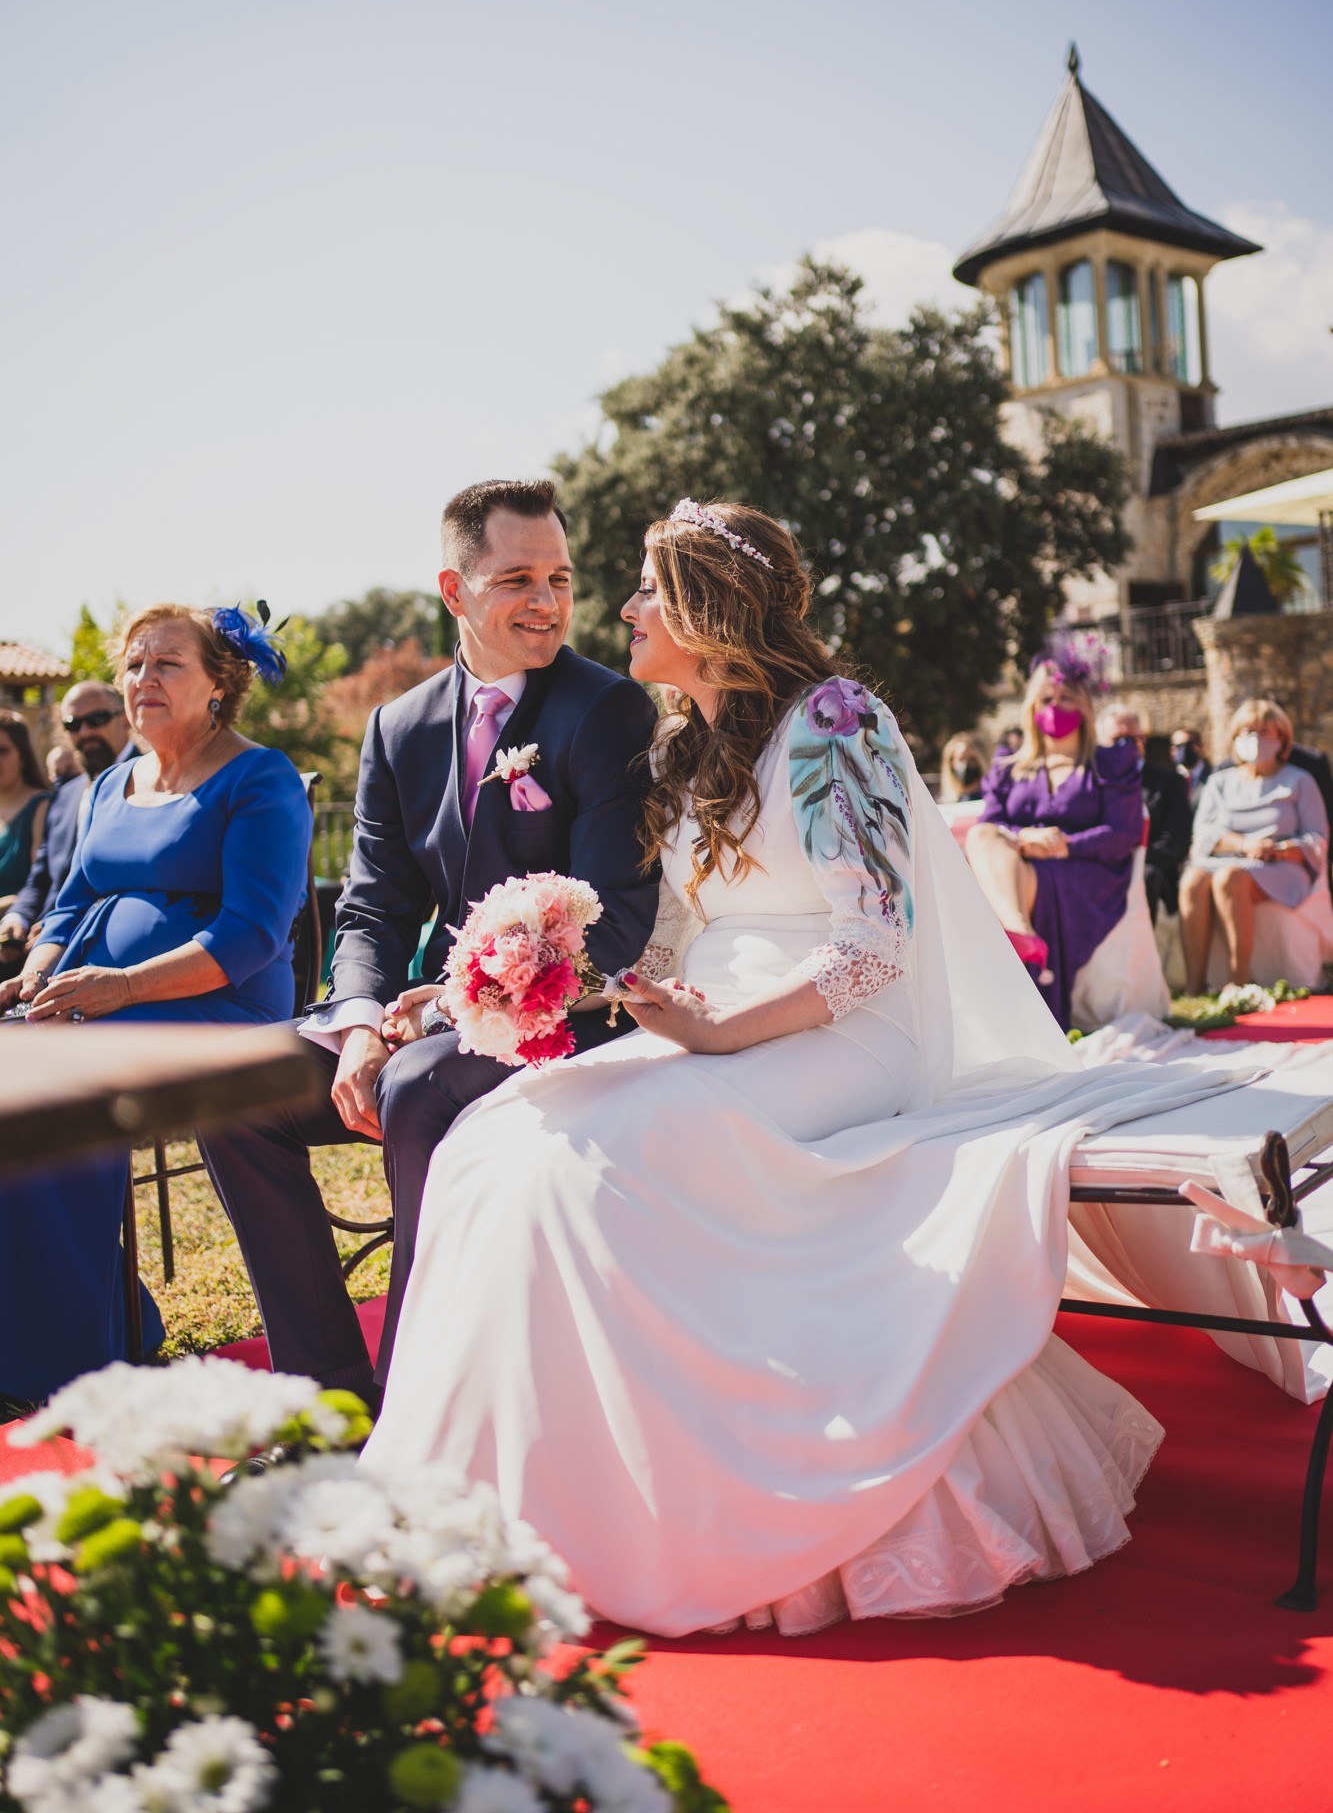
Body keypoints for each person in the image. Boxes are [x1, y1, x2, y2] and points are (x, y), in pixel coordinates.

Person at [364, 501, 1181, 1638]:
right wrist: (506, 981)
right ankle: (529, 1505)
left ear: (705, 605)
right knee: (497, 1140)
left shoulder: (835, 721)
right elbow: (669, 939)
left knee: (606, 1156)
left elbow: (873, 944)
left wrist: (714, 1035)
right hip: (719, 1019)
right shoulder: (685, 741)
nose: (626, 609)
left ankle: (724, 1499)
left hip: (843, 1029)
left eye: (648, 590)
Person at [197, 480, 660, 1410]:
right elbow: (370, 906)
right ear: (454, 590)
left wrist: (447, 1007)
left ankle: (415, 1397)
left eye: (560, 578)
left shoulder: (605, 712)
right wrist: (361, 1023)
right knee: (228, 1086)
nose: (546, 601)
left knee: (414, 1088)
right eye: (516, 578)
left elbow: (614, 919)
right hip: (423, 1019)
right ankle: (328, 1394)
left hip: (571, 1022)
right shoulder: (397, 727)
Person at [0, 603, 312, 1409]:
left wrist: (123, 987)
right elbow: (68, 905)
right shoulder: (106, 784)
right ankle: (101, 1321)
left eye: (167, 663)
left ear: (219, 684)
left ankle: (66, 1363)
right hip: (93, 1002)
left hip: (221, 1011)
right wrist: (35, 974)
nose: (143, 680)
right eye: (134, 664)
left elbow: (249, 934)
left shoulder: (259, 778)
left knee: (57, 1081)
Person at [964, 645, 1143, 1029]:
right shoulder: (1007, 767)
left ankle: (1018, 949)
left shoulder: (1110, 762)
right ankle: (1022, 933)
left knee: (995, 881)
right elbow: (993, 824)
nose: (1055, 706)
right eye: (1046, 698)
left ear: (1084, 705)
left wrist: (1062, 846)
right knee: (981, 836)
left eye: (1065, 698)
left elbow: (1122, 832)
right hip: (1019, 869)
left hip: (1085, 873)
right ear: (1031, 706)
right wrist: (1025, 836)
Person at [1179, 698, 1328, 994]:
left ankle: (1239, 983)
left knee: (1229, 879)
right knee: (1192, 881)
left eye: (1264, 731)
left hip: (1280, 866)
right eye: (1247, 731)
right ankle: (1194, 987)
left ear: (1282, 738)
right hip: (1228, 858)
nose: (1255, 739)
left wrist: (1279, 849)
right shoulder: (1219, 782)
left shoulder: (1300, 781)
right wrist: (1245, 844)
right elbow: (1204, 834)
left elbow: (1317, 838)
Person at [0, 681, 138, 959]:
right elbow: (39, 879)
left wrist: (60, 928)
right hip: (35, 947)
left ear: (125, 719)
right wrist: (16, 919)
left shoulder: (154, 783)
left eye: (96, 719)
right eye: (73, 724)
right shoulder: (64, 795)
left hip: (103, 953)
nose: (85, 732)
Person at [1099, 705, 1192, 924]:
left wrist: (1135, 857)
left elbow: (1176, 840)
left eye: (1132, 738)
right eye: (1117, 739)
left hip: (1153, 869)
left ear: (1143, 740)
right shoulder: (1094, 784)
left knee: (1144, 876)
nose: (1125, 745)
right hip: (1104, 865)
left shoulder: (1168, 783)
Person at [0, 714, 50, 969]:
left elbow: (41, 883)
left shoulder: (41, 805)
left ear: (22, 756)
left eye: (3, 751)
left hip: (14, 940)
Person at [937, 733, 986, 803]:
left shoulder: (991, 798)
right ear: (951, 762)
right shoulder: (944, 803)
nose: (966, 764)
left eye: (972, 759)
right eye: (961, 759)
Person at [1170, 726, 1212, 808]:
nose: (1182, 750)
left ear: (1199, 746)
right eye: (1178, 746)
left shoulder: (1213, 776)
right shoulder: (1170, 780)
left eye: (1187, 745)